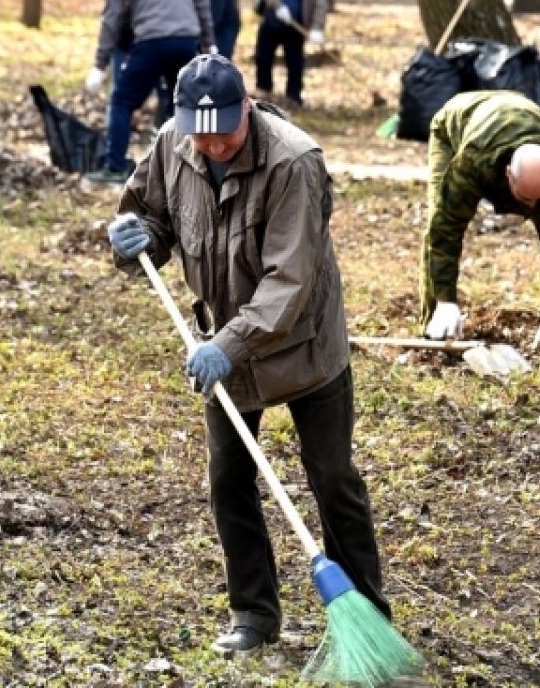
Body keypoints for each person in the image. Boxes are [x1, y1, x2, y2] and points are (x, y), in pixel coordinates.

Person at [106, 54, 390, 655]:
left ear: (247, 110)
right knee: (229, 478)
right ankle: (254, 615)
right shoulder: (174, 143)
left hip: (304, 344)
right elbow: (150, 216)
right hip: (222, 344)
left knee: (332, 478)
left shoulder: (294, 161)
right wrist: (137, 239)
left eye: (224, 131)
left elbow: (288, 280)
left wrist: (228, 346)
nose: (211, 144)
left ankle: (368, 616)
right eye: (198, 131)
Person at [420, 91, 540, 359]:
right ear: (507, 176)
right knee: (438, 218)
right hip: (456, 124)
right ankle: (438, 321)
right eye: (527, 198)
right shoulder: (472, 161)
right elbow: (445, 229)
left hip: (514, 117)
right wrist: (446, 298)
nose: (532, 208)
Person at [84, 0, 214, 185]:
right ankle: (181, 166)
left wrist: (99, 64)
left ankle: (115, 168)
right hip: (187, 40)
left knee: (121, 101)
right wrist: (209, 43)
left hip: (152, 41)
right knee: (180, 102)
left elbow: (112, 17)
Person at [254, 0, 328, 110]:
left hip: (296, 27)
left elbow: (320, 4)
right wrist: (278, 6)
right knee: (263, 56)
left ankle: (294, 97)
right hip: (272, 21)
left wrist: (317, 27)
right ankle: (264, 91)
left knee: (295, 62)